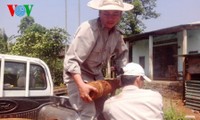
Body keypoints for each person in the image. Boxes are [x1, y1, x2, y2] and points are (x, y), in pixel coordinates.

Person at [63, 0, 134, 119]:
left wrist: (122, 76)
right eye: (106, 13)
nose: (110, 18)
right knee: (88, 113)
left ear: (121, 15)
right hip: (78, 76)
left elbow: (122, 55)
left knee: (104, 111)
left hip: (96, 75)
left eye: (115, 14)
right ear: (99, 13)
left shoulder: (117, 34)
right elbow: (71, 60)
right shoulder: (89, 29)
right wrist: (81, 86)